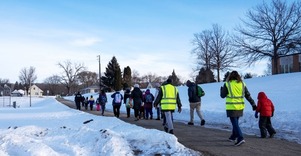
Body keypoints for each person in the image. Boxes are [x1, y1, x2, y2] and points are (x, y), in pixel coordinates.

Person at [220, 71, 257, 146]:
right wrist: (253, 104)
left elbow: (222, 96)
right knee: (235, 122)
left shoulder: (227, 84)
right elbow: (247, 95)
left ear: (230, 76)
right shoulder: (242, 84)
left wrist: (221, 90)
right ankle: (233, 136)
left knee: (235, 123)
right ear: (238, 76)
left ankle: (240, 138)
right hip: (240, 107)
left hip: (231, 107)